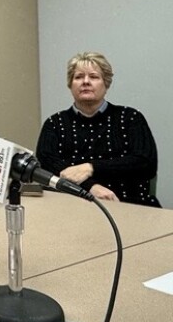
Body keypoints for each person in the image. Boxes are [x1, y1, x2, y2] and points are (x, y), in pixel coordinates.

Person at [36, 52, 161, 207]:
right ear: (70, 84)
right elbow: (46, 169)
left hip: (131, 206)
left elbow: (146, 163)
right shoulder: (55, 123)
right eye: (79, 77)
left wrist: (91, 168)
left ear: (106, 83)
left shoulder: (130, 118)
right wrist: (90, 188)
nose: (86, 82)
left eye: (94, 77)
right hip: (71, 210)